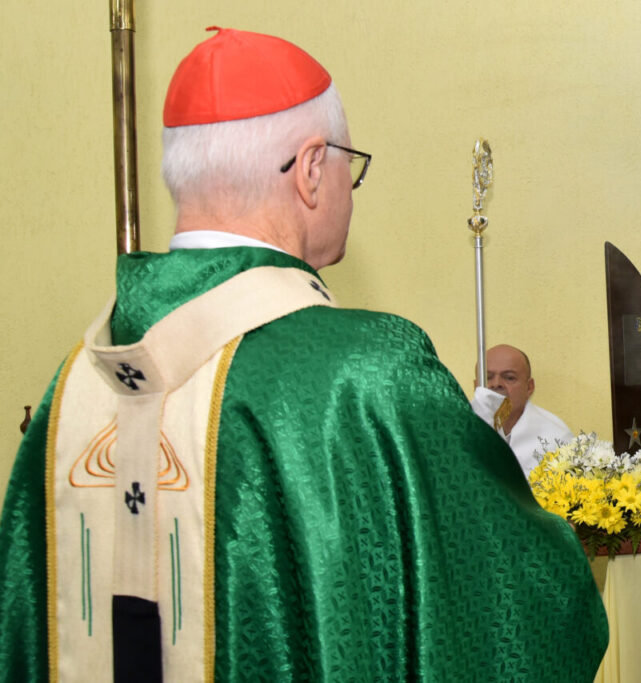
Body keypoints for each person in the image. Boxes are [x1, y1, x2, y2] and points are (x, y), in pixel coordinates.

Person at [0, 28, 607, 682]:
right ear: (313, 168)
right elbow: (524, 601)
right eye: (350, 165)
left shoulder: (74, 391)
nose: (351, 185)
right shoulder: (369, 375)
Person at [471, 344, 574, 478]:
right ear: (476, 386)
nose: (496, 384)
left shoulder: (556, 438)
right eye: (488, 377)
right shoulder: (457, 431)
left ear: (529, 387)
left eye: (509, 377)